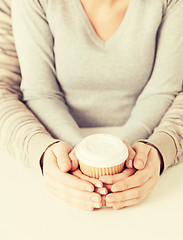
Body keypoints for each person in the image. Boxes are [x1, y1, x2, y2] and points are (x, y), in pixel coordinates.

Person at [0, 0, 182, 211]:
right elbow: (40, 93)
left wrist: (148, 152)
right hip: (58, 156)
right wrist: (64, 156)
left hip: (144, 158)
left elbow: (162, 92)